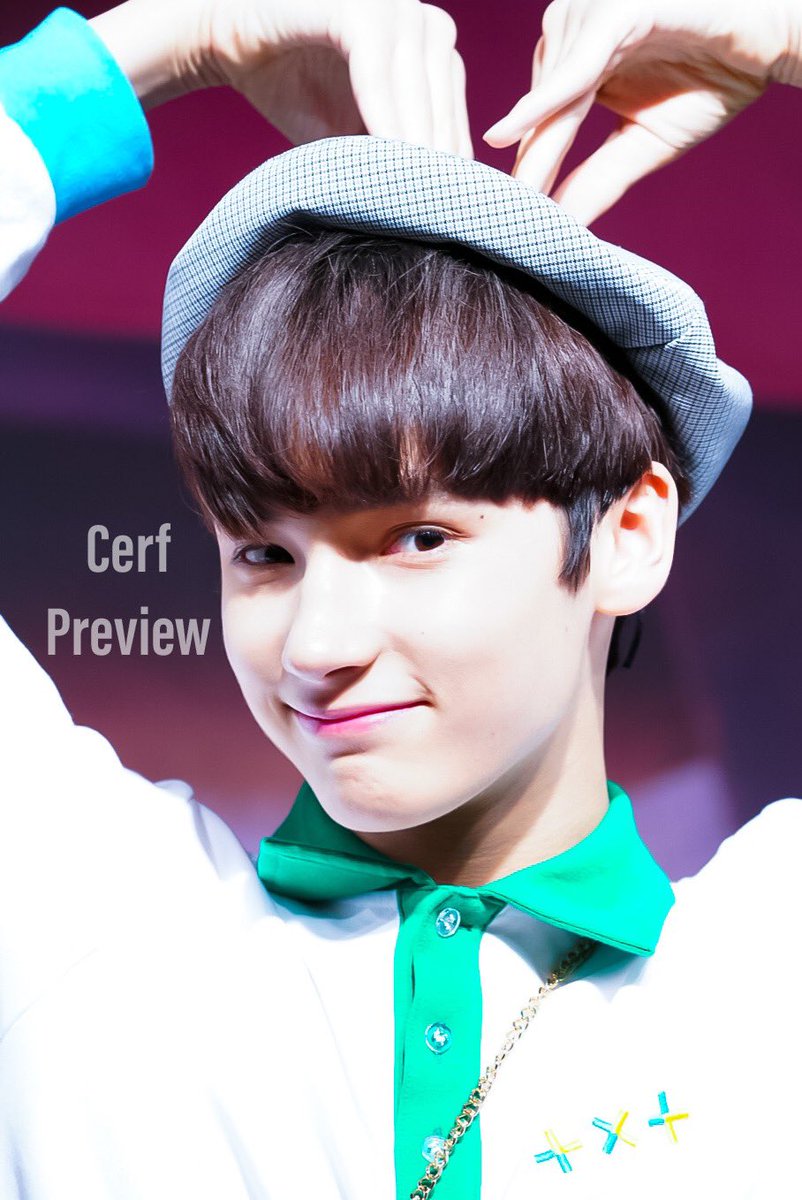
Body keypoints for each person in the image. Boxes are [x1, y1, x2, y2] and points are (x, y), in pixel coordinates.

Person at [1, 4, 800, 1200]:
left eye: (416, 539)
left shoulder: (767, 970)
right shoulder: (84, 920)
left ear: (628, 533)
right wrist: (163, 41)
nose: (315, 645)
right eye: (263, 555)